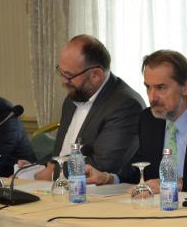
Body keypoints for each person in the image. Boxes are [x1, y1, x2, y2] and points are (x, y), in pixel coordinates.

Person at [86, 50, 187, 193]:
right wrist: (108, 178)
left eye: (161, 88)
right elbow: (140, 171)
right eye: (148, 87)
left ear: (186, 87)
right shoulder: (148, 119)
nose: (152, 97)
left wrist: (176, 184)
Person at [34, 35, 145, 180]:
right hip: (61, 189)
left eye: (68, 75)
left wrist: (54, 172)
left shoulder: (125, 105)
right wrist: (36, 166)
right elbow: (62, 153)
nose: (62, 81)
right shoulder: (73, 98)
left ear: (96, 75)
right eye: (60, 72)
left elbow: (103, 165)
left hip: (101, 195)